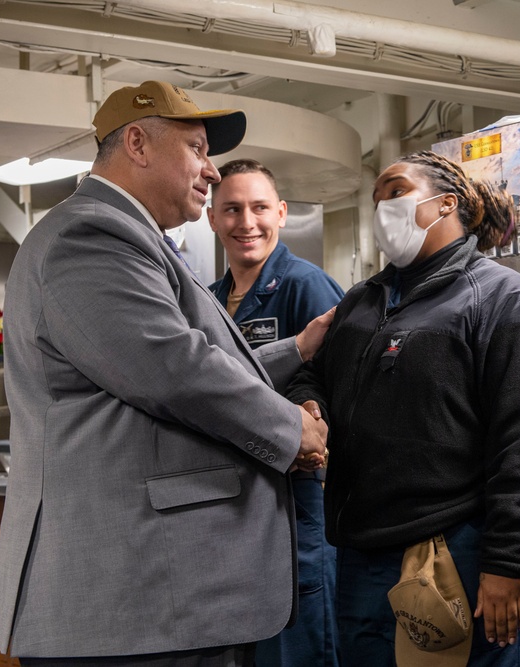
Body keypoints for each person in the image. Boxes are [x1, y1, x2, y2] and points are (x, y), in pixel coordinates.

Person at [0, 80, 333, 667]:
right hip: (138, 605)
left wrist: (296, 347)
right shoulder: (90, 235)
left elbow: (173, 359)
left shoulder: (137, 238)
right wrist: (292, 430)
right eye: (197, 149)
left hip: (155, 604)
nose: (212, 171)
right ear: (139, 144)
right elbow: (174, 370)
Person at [285, 150, 520, 666]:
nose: (382, 207)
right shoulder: (360, 303)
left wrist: (508, 564)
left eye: (395, 191)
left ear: (445, 204)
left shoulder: (503, 300)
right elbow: (312, 373)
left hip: (457, 550)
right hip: (362, 555)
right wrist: (311, 406)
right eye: (375, 199)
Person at [207, 158, 344, 667]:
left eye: (259, 207)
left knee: (304, 644)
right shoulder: (211, 300)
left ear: (281, 213)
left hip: (300, 505)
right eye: (232, 209)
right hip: (238, 508)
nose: (247, 223)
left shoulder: (306, 287)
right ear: (212, 218)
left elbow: (343, 387)